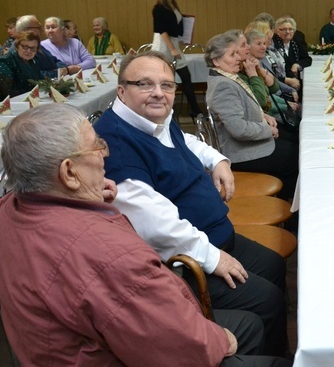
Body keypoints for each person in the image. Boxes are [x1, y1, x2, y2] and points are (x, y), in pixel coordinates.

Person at [0, 105, 288, 367]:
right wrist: (222, 340)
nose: (105, 156)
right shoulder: (109, 254)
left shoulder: (10, 209)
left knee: (249, 322)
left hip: (51, 348)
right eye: (97, 147)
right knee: (248, 334)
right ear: (69, 172)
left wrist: (85, 197)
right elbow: (181, 345)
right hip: (114, 353)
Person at [93, 51, 288, 357]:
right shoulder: (116, 145)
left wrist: (217, 159)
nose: (159, 93)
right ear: (121, 91)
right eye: (145, 84)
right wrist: (213, 258)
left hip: (215, 233)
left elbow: (182, 138)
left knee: (275, 265)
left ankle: (277, 355)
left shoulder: (149, 117)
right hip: (183, 262)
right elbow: (156, 228)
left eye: (167, 85)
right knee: (267, 300)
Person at [206, 32, 299, 198]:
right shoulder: (223, 86)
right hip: (241, 153)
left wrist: (264, 115)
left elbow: (244, 107)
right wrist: (266, 130)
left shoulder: (226, 77)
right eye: (232, 54)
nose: (239, 58)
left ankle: (287, 203)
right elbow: (238, 129)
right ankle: (290, 213)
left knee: (295, 144)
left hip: (248, 144)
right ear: (216, 61)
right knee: (295, 159)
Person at [151, 0, 203, 118]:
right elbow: (162, 31)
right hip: (163, 45)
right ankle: (167, 111)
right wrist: (173, 49)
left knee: (186, 76)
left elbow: (175, 28)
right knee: (167, 79)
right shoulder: (159, 9)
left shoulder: (173, 6)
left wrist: (180, 41)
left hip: (173, 43)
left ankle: (195, 110)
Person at [0, 31, 44, 98]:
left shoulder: (34, 61)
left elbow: (40, 81)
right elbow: (7, 92)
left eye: (33, 48)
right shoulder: (5, 62)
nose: (29, 51)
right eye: (25, 47)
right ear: (17, 46)